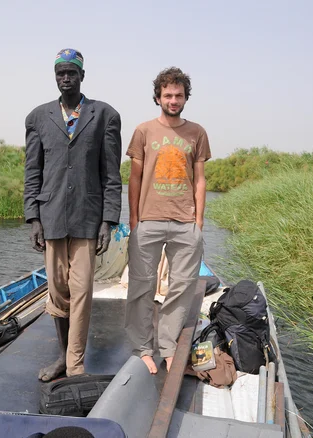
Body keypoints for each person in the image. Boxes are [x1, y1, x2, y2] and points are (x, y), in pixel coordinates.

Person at [24, 48, 122, 381]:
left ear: (82, 76)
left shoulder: (105, 115)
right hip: (51, 216)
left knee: (81, 293)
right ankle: (63, 358)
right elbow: (32, 172)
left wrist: (108, 220)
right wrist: (33, 217)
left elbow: (111, 174)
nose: (66, 78)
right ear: (55, 76)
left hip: (87, 217)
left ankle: (76, 364)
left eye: (72, 73)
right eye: (60, 73)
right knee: (57, 294)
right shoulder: (38, 117)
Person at [125, 67, 211, 374]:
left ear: (186, 97)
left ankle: (169, 346)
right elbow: (134, 178)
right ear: (158, 97)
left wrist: (198, 222)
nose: (173, 100)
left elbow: (200, 180)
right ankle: (142, 347)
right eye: (167, 95)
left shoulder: (197, 133)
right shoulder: (144, 131)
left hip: (185, 221)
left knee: (183, 286)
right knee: (141, 286)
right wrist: (134, 218)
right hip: (148, 220)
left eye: (178, 95)